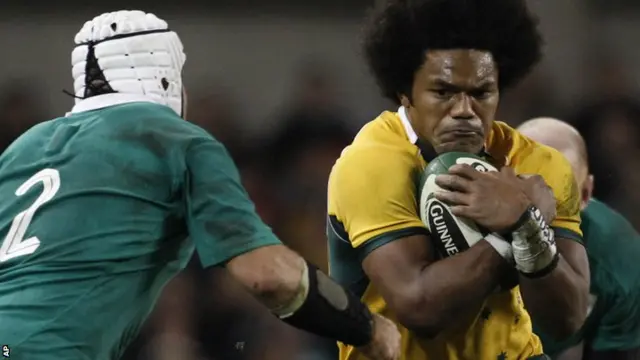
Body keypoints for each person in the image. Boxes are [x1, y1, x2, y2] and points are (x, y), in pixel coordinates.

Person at [0, 11, 401, 360]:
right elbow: (269, 275)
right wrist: (367, 327)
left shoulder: (23, 147)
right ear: (165, 75)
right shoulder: (177, 140)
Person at [326, 0, 591, 359]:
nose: (465, 111)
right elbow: (420, 307)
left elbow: (568, 319)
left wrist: (528, 230)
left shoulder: (539, 164)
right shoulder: (371, 163)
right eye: (444, 92)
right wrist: (514, 228)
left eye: (481, 93)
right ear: (405, 92)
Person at [518, 118, 640, 360]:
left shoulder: (619, 258)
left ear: (585, 194)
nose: (542, 209)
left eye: (560, 191)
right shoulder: (454, 229)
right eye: (526, 185)